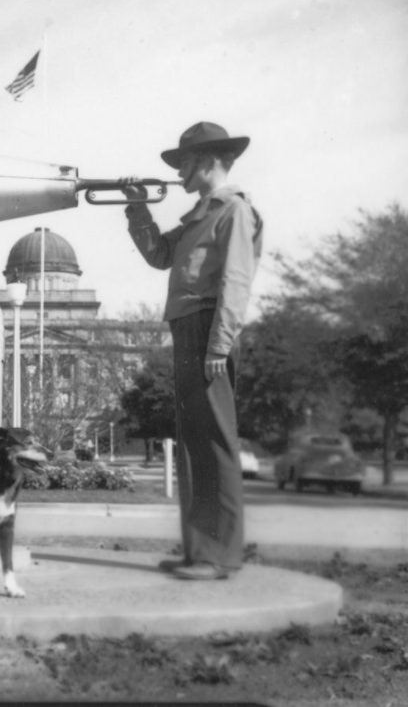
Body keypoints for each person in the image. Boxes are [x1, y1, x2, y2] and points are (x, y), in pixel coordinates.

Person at [120, 121, 263, 581]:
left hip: (208, 330)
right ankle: (199, 551)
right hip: (186, 327)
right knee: (192, 444)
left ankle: (219, 556)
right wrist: (137, 210)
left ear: (207, 162)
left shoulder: (234, 210)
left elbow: (236, 282)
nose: (179, 172)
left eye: (183, 163)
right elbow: (160, 255)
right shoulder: (201, 213)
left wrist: (219, 345)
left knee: (215, 442)